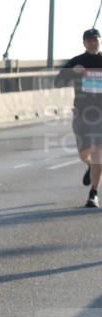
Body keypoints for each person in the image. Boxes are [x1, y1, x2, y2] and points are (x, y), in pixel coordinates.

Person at [55, 28, 102, 208]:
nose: (93, 43)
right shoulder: (77, 61)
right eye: (89, 40)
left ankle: (93, 193)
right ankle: (89, 166)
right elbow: (58, 82)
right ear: (84, 43)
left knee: (97, 151)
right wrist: (71, 72)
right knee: (84, 153)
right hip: (82, 114)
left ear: (100, 41)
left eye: (95, 40)